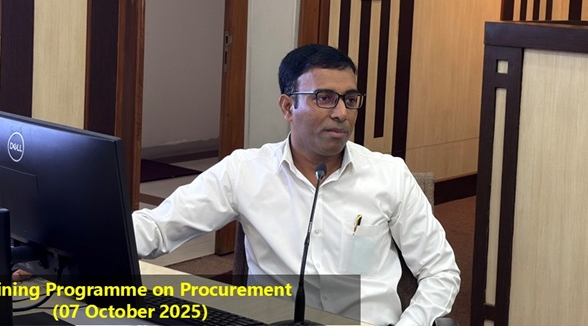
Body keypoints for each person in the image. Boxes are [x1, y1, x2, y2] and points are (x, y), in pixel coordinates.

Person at [133, 44, 460, 326]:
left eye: (350, 99)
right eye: (325, 98)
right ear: (288, 107)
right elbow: (158, 229)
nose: (342, 113)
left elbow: (440, 270)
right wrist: (102, 233)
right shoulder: (245, 172)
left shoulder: (389, 175)